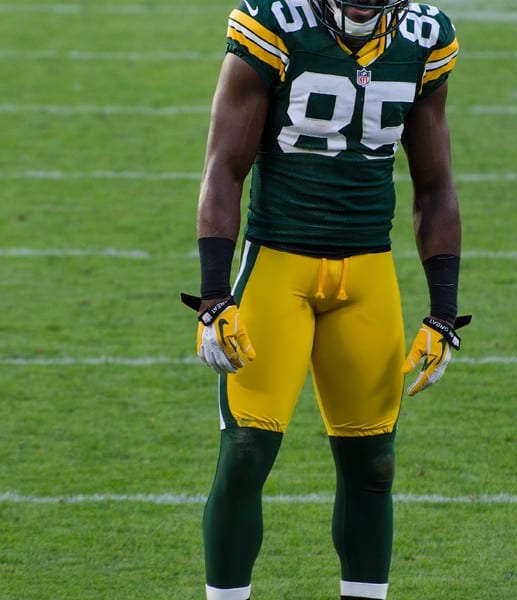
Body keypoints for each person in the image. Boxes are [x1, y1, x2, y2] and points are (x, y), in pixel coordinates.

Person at [181, 0, 470, 597]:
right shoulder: (274, 22)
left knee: (374, 465)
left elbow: (435, 184)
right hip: (277, 265)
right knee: (246, 452)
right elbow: (224, 167)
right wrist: (214, 296)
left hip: (367, 273)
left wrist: (444, 312)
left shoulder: (424, 35)